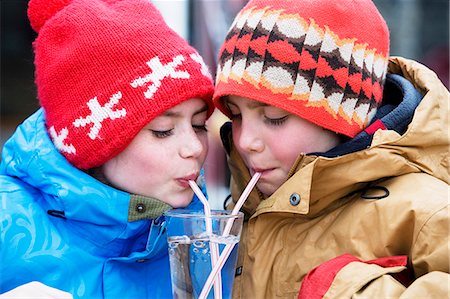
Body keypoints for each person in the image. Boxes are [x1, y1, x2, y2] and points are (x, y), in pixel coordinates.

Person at [212, 0, 450, 298]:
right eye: (235, 115)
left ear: (345, 117)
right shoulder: (243, 206)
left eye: (274, 118)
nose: (245, 140)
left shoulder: (425, 211)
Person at [0, 0, 215, 298]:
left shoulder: (207, 237)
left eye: (200, 124)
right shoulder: (6, 225)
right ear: (96, 143)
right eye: (163, 131)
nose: (194, 148)